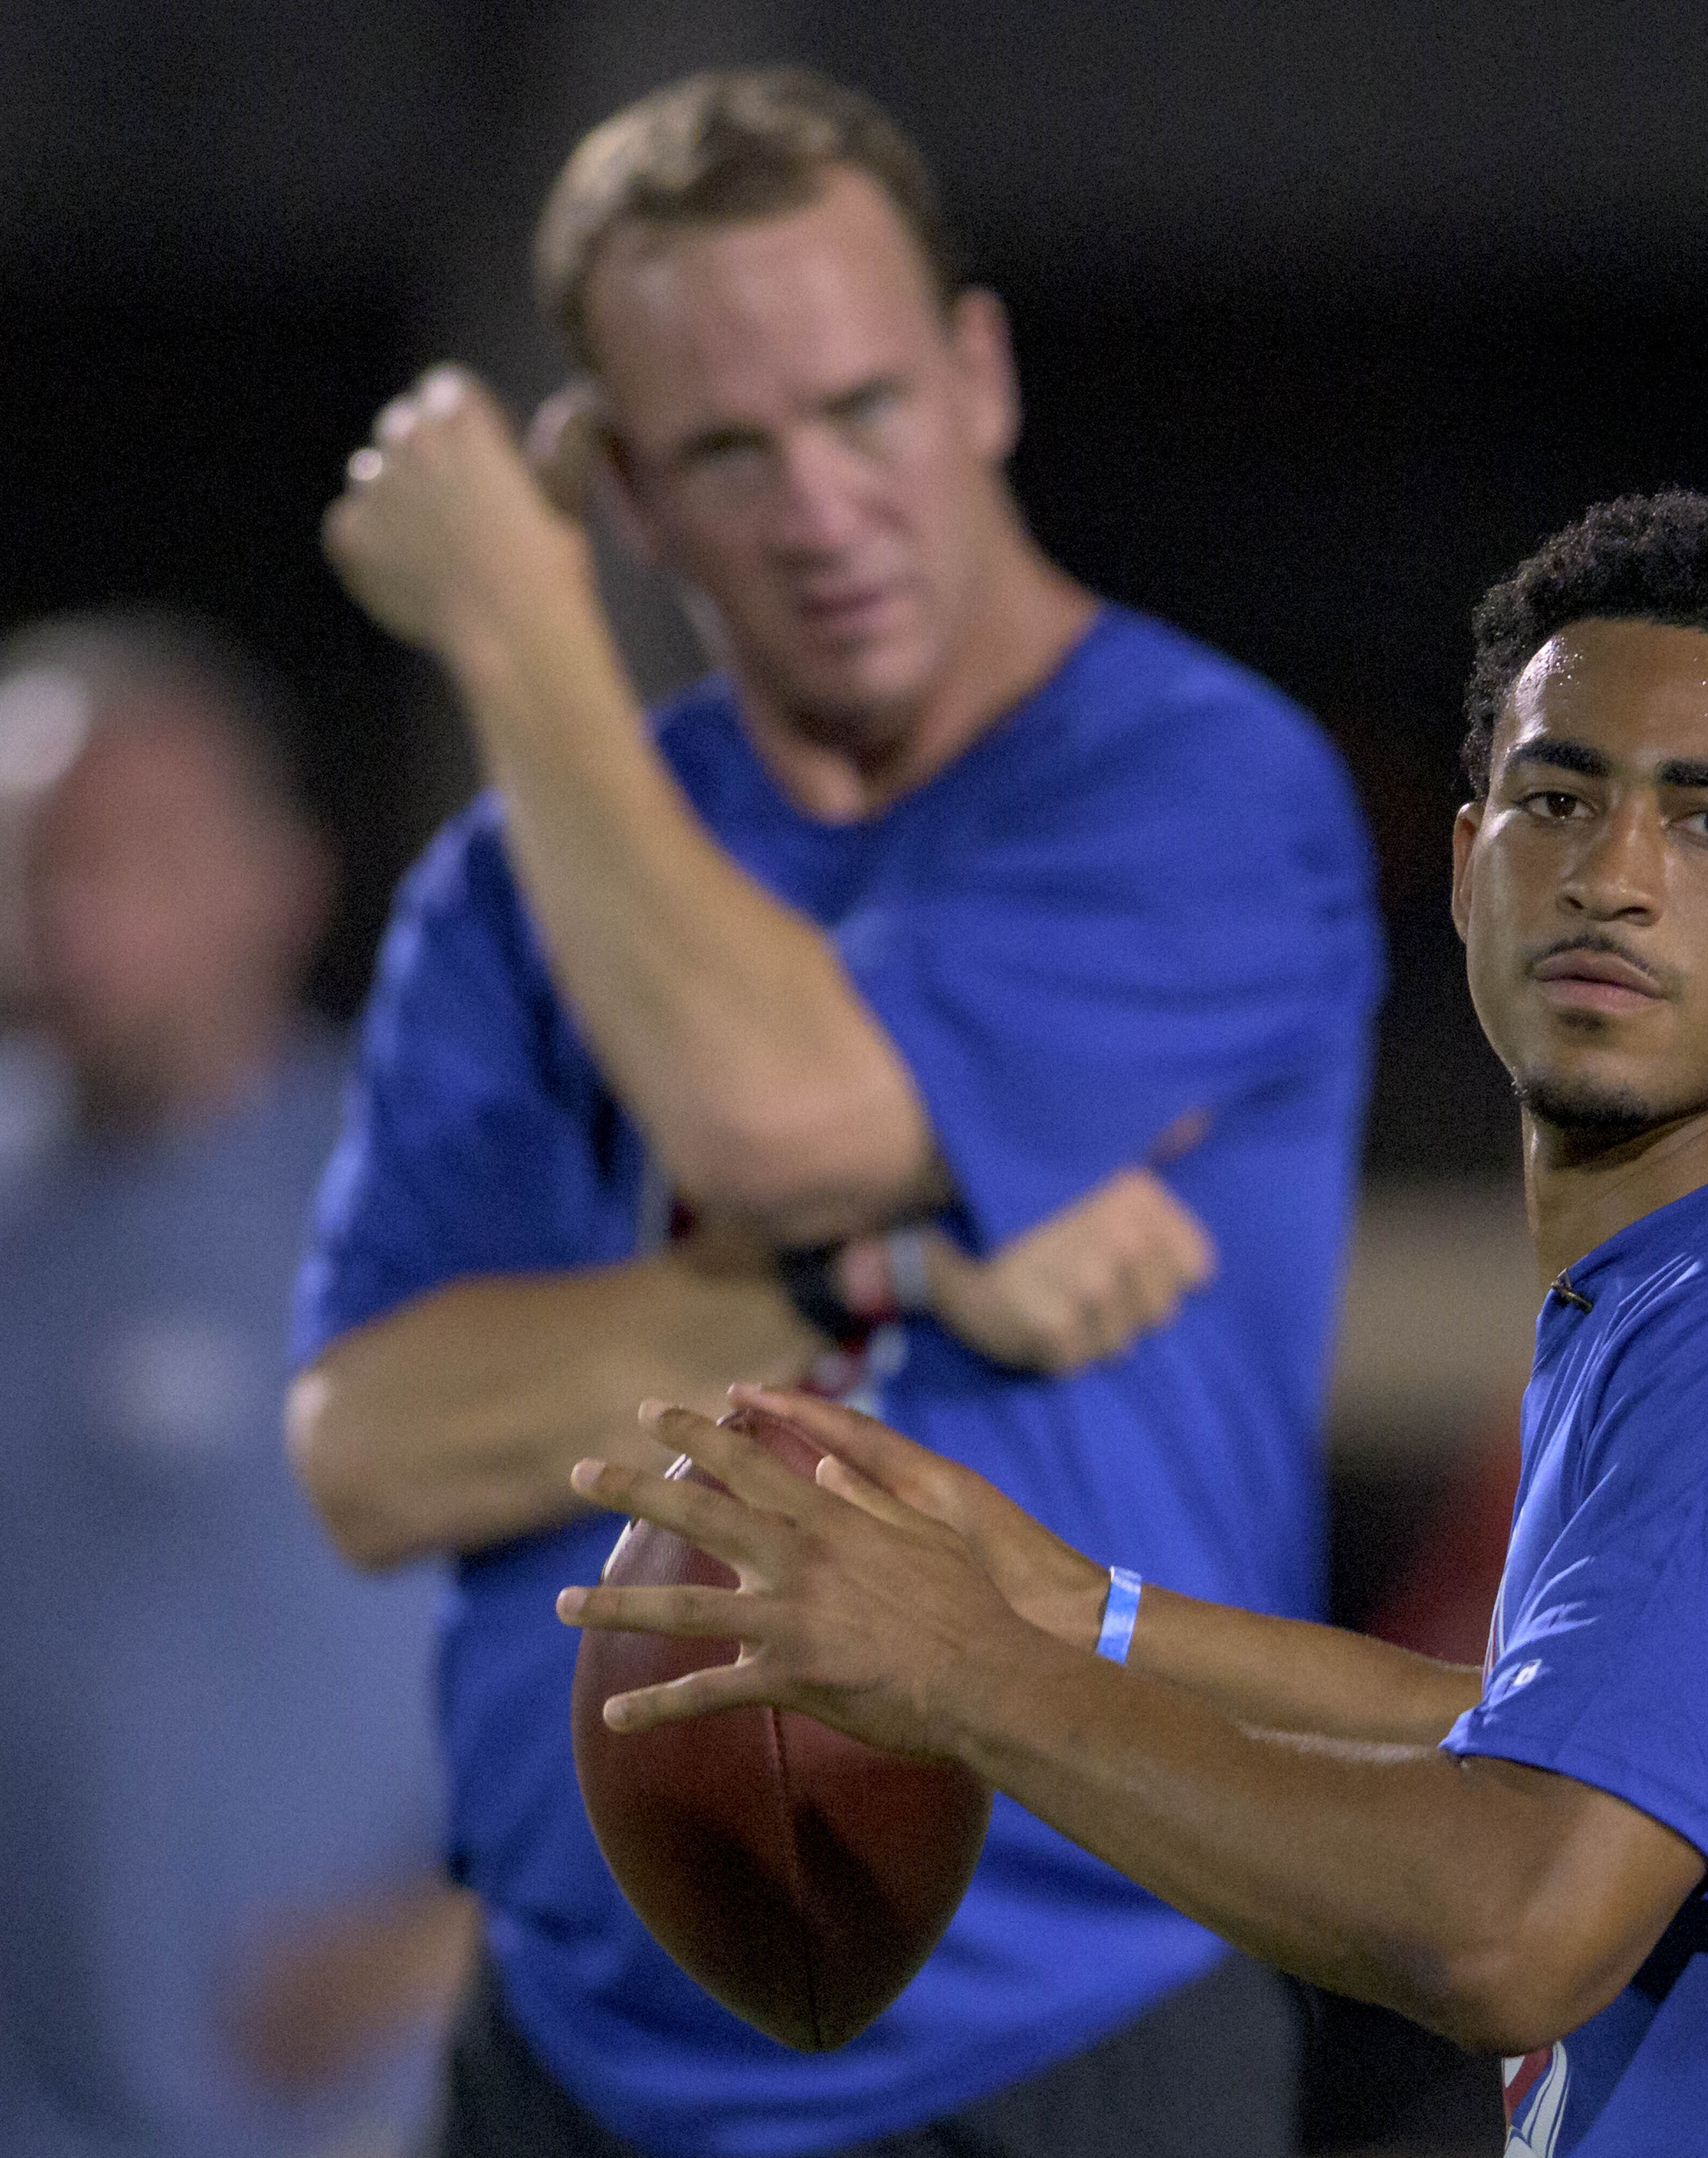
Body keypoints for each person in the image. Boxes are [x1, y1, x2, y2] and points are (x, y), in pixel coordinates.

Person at [551, 491, 1708, 2157]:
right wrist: (1085, 1615)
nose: (1614, 878)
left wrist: (975, 1677)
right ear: (1462, 858)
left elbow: (1513, 1923)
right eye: (1558, 796)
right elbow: (1532, 1729)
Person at [293, 65, 1382, 2158]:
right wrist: (892, 1260)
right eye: (727, 446)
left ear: (981, 376)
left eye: (863, 405)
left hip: (1069, 2030)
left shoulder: (1196, 782)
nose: (816, 504)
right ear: (627, 490)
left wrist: (518, 629)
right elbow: (368, 1450)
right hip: (578, 2034)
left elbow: (781, 1112)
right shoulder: (511, 896)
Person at [0, 614, 476, 2158]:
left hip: (356, 2120)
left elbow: (643, 1637)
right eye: (11, 865)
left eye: (131, 859)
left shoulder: (436, 1193)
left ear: (283, 880)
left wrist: (462, 1948)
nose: (69, 922)